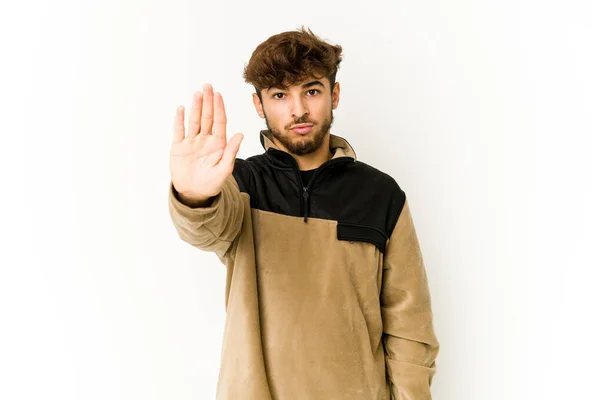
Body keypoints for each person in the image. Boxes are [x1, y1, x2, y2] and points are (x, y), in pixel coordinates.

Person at [168, 26, 439, 400]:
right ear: (258, 105)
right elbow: (207, 229)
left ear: (334, 94)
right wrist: (194, 194)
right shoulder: (240, 184)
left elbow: (410, 328)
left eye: (311, 90)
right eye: (280, 95)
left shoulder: (381, 195)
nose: (298, 110)